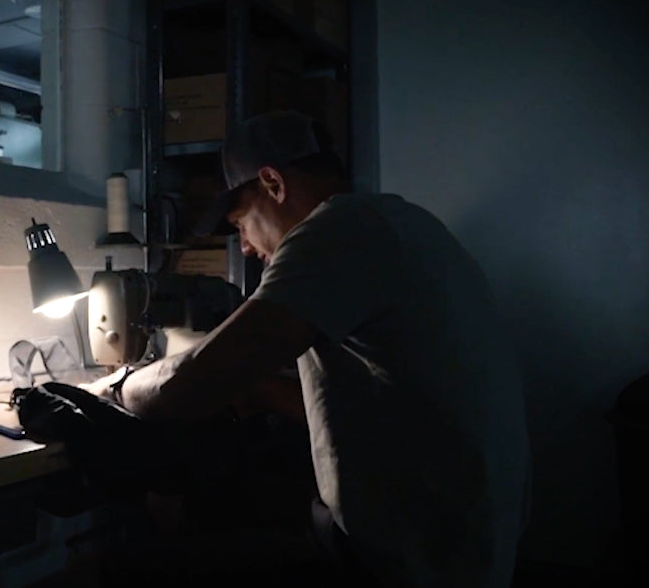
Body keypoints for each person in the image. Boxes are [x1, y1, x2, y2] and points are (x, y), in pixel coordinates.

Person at [81, 111, 531, 587]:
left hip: (413, 557)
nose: (247, 248)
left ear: (272, 183)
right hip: (470, 538)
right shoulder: (404, 223)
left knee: (127, 566)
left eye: (241, 224)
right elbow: (389, 399)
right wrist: (257, 387)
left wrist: (118, 386)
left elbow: (184, 388)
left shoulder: (335, 231)